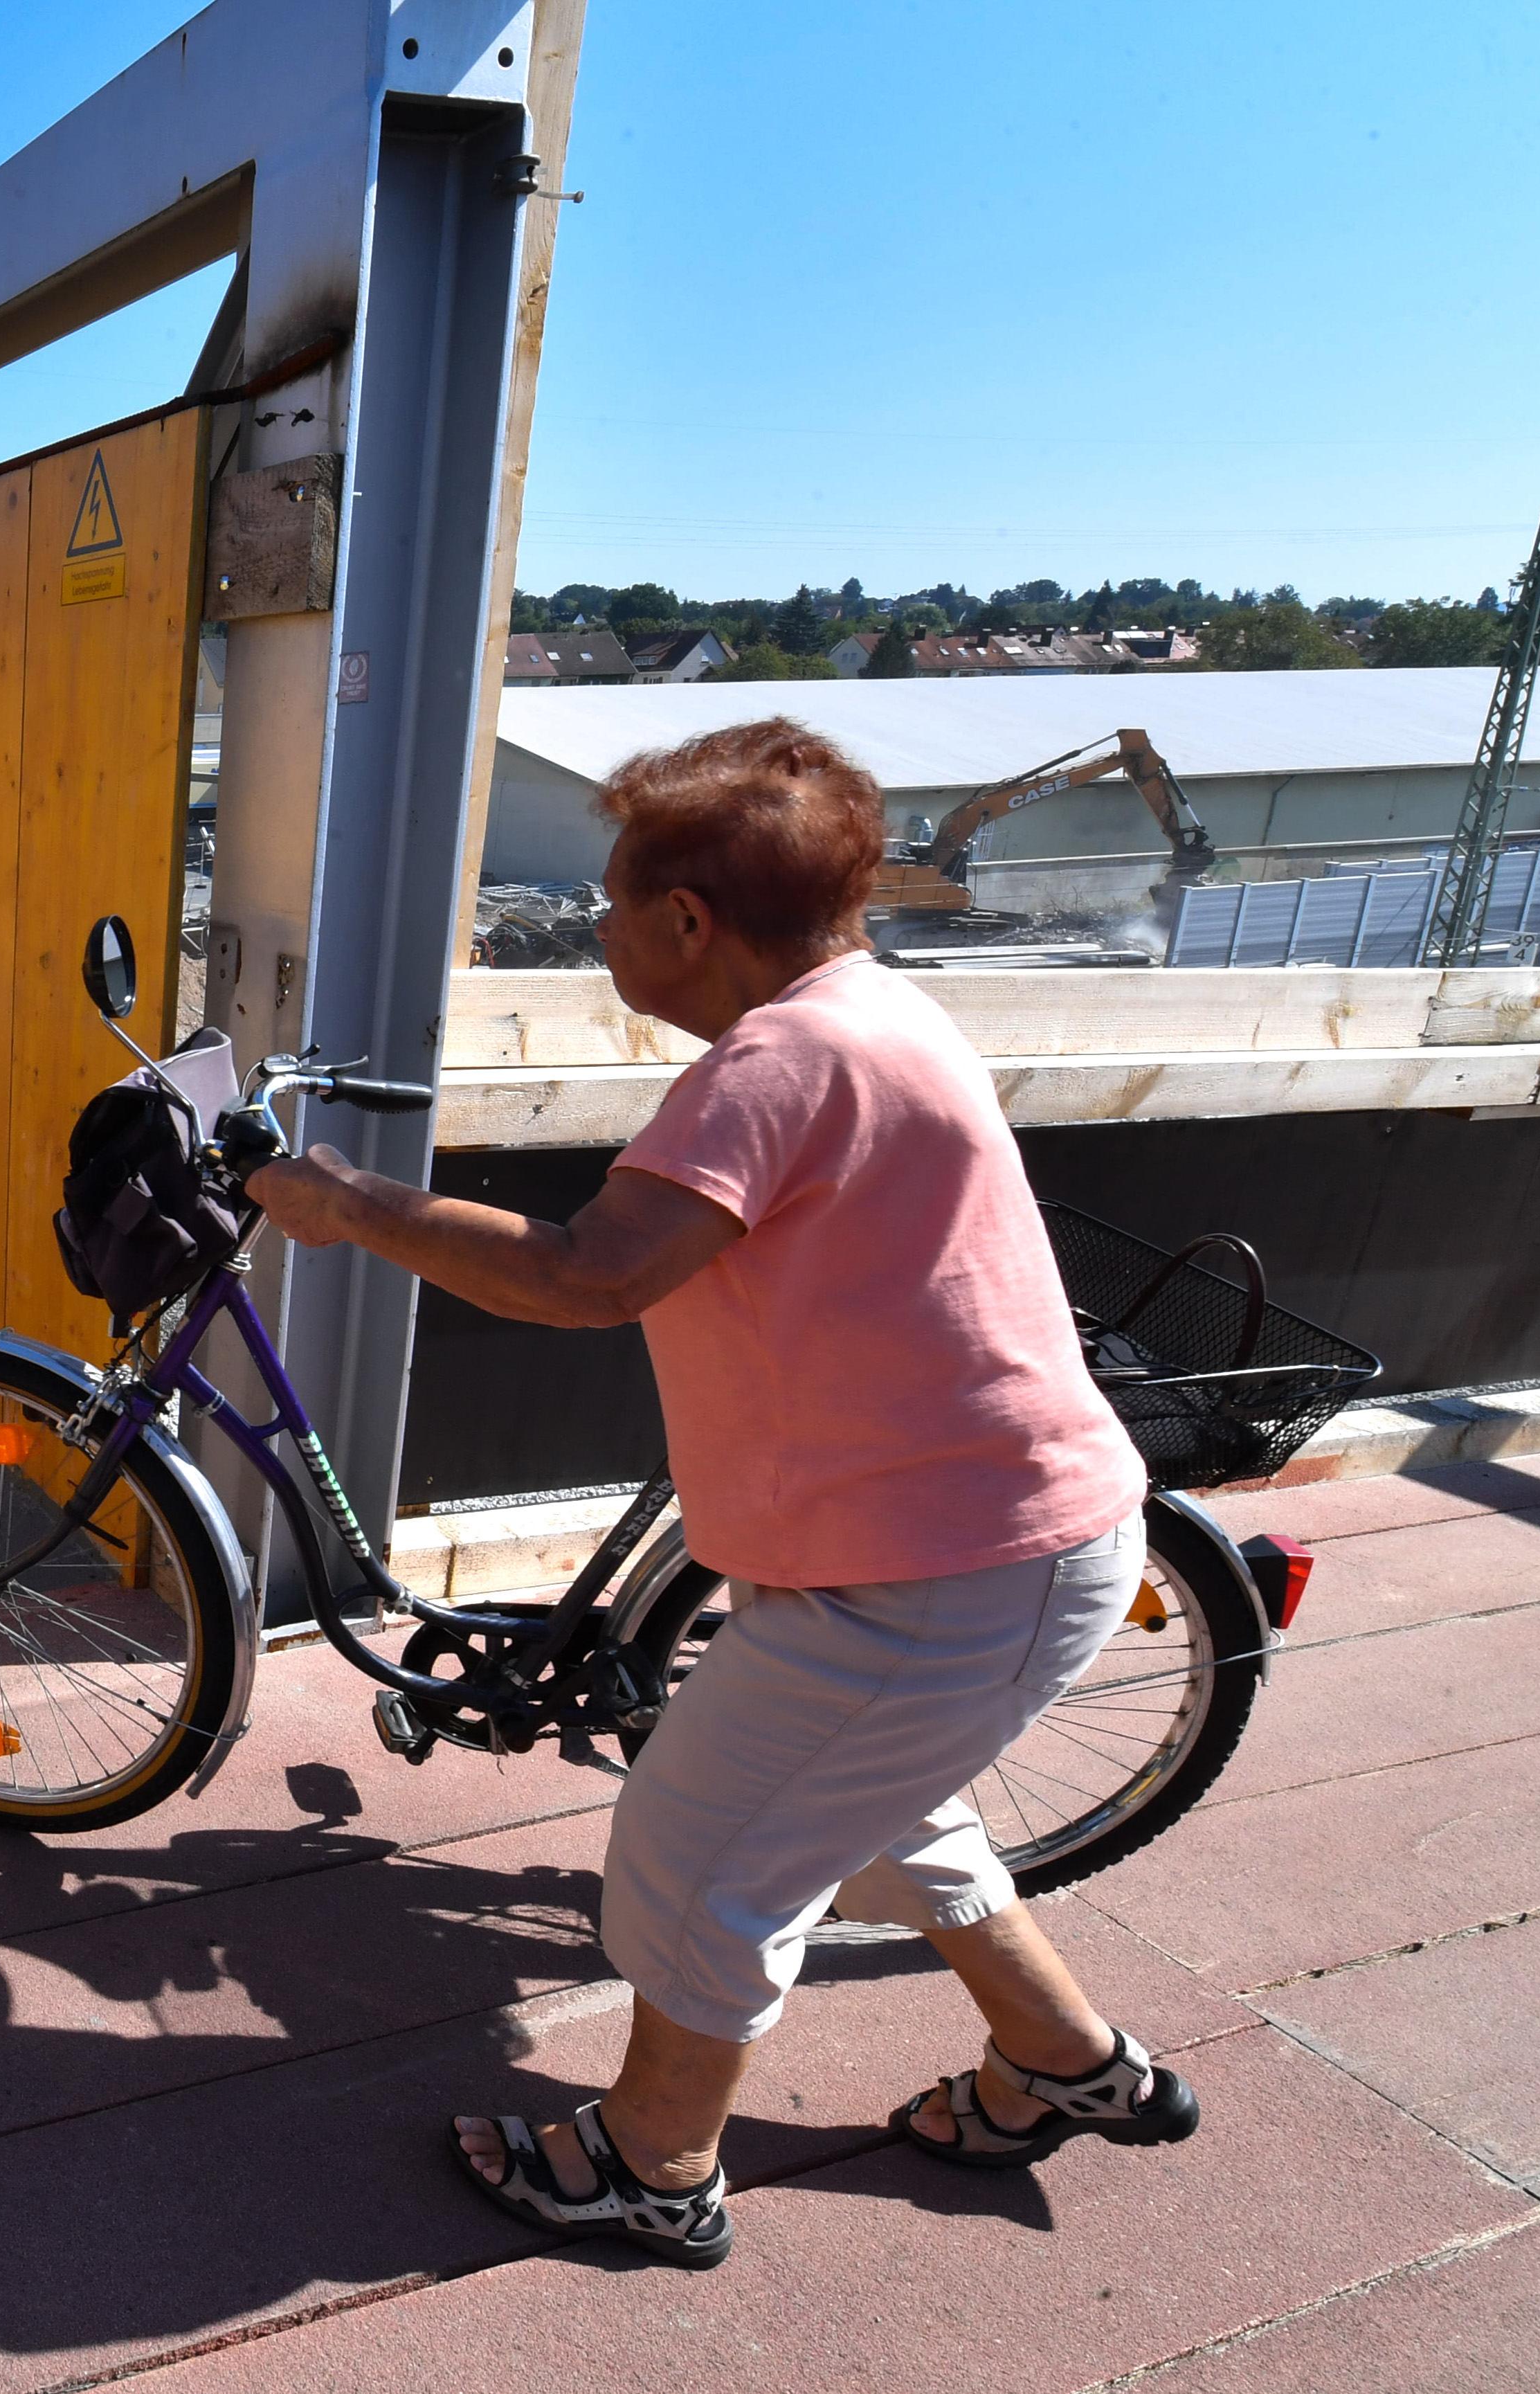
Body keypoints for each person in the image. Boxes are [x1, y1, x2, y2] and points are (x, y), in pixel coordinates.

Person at [248, 718, 1189, 2271]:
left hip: (937, 1567)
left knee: (697, 1864)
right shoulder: (867, 1008)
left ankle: (647, 2162)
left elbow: (586, 1273)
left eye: (611, 900)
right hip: (980, 1541)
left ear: (687, 922)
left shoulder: (780, 1056)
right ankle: (1068, 2065)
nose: (598, 926)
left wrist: (348, 1206)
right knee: (881, 1823)